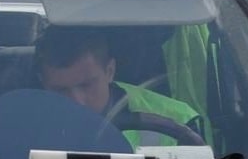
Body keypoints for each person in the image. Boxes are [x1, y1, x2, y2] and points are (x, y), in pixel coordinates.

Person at [34, 27, 205, 149]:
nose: (77, 101)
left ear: (110, 71)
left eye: (86, 85)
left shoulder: (179, 121)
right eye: (60, 90)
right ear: (43, 82)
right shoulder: (20, 124)